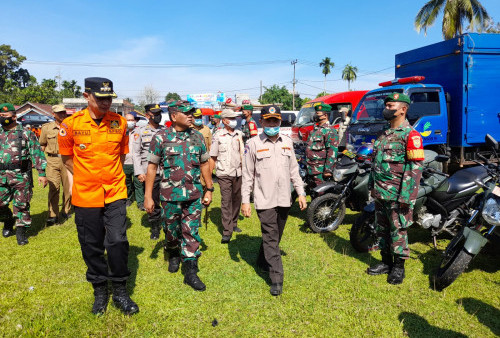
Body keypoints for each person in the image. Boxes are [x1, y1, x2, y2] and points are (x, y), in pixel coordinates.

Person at [58, 77, 138, 315]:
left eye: (109, 98)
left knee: (117, 241)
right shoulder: (70, 125)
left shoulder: (120, 123)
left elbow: (121, 157)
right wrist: (87, 176)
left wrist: (109, 177)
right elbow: (67, 159)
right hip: (85, 195)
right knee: (91, 246)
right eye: (100, 98)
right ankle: (100, 291)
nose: (106, 103)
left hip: (114, 192)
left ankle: (121, 291)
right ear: (86, 96)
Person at [144, 100, 213, 291]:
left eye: (192, 113)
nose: (191, 115)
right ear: (174, 116)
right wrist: (148, 196)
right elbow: (151, 167)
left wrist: (209, 188)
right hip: (169, 196)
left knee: (191, 231)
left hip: (193, 195)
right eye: (187, 113)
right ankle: (173, 252)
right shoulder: (160, 137)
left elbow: (205, 163)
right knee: (172, 230)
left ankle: (191, 271)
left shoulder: (198, 137)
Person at [241, 105, 307, 296]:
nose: (272, 124)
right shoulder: (252, 144)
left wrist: (301, 192)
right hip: (264, 198)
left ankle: (262, 260)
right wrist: (246, 200)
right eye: (268, 121)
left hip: (284, 198)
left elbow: (294, 169)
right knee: (271, 237)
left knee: (275, 236)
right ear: (261, 122)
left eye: (275, 121)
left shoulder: (287, 141)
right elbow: (247, 175)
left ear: (280, 122)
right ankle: (277, 278)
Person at [366, 92, 424, 285]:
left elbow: (414, 169)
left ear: (403, 109)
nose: (387, 109)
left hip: (398, 194)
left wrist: (406, 196)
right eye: (387, 106)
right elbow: (375, 163)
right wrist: (371, 186)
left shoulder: (411, 135)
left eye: (391, 106)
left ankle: (399, 268)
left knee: (398, 231)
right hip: (380, 192)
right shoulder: (383, 133)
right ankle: (385, 263)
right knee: (381, 230)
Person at [0, 103, 48, 245]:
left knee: (21, 205)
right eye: (0, 116)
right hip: (1, 175)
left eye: (5, 116)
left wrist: (41, 173)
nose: (2, 118)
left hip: (21, 175)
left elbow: (37, 153)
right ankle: (8, 220)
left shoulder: (26, 133)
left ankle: (21, 232)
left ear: (14, 117)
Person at [209, 108, 244, 243]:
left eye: (235, 118)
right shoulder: (218, 135)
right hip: (223, 173)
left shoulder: (239, 134)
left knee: (236, 199)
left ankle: (234, 223)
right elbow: (213, 157)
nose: (235, 121)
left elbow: (242, 154)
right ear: (224, 120)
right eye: (232, 118)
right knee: (226, 201)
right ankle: (227, 231)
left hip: (238, 172)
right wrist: (209, 178)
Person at [133, 104, 165, 239]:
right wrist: (139, 172)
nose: (158, 116)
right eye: (155, 114)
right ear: (147, 115)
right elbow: (135, 153)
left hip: (165, 172)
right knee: (152, 200)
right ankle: (155, 227)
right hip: (149, 173)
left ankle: (169, 224)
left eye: (159, 113)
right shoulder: (140, 131)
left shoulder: (165, 130)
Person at [39, 104, 72, 226]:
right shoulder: (46, 128)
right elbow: (42, 145)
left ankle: (66, 210)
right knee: (54, 188)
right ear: (53, 114)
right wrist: (39, 162)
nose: (62, 115)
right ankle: (53, 215)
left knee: (68, 188)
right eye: (59, 113)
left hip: (68, 160)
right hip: (52, 160)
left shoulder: (70, 126)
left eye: (64, 112)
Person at [305, 103, 339, 187]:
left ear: (325, 115)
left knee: (321, 197)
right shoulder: (315, 130)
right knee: (313, 195)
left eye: (318, 114)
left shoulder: (330, 131)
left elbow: (332, 151)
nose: (315, 116)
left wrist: (328, 170)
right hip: (311, 169)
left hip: (320, 171)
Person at [123, 112, 140, 208]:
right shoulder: (121, 132)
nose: (130, 122)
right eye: (128, 120)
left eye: (131, 120)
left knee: (138, 183)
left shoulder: (139, 131)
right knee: (127, 183)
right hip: (125, 162)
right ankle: (128, 199)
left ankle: (140, 201)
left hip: (136, 163)